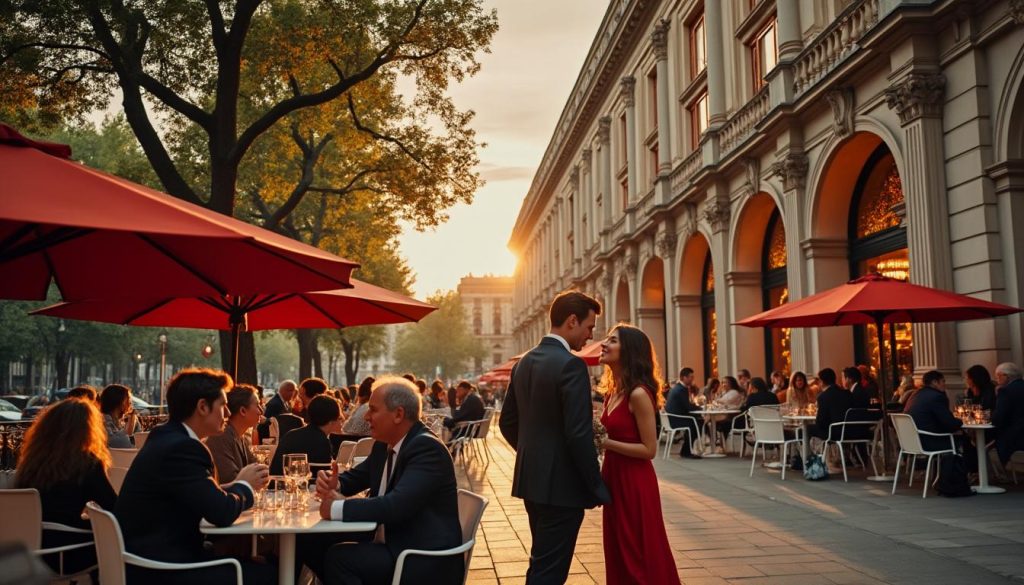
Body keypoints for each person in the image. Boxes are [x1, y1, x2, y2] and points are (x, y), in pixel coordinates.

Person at [115, 368, 272, 585]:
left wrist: (233, 486)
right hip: (162, 570)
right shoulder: (184, 447)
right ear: (202, 407)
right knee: (271, 574)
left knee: (258, 561)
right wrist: (244, 484)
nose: (227, 413)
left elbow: (196, 494)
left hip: (146, 559)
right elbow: (221, 512)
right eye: (223, 405)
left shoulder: (166, 436)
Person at [499, 290, 609, 584]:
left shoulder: (523, 362)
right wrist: (595, 484)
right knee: (550, 571)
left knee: (541, 562)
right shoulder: (571, 364)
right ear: (572, 321)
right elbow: (578, 433)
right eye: (589, 327)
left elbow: (507, 422)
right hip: (562, 487)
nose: (589, 336)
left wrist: (531, 452)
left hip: (530, 481)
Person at [314, 377, 463, 584]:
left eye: (373, 410)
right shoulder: (385, 443)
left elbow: (395, 505)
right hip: (392, 542)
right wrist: (334, 482)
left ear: (398, 414)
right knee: (310, 542)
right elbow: (358, 476)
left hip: (418, 556)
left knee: (340, 559)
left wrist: (336, 508)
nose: (366, 416)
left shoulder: (427, 449)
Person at [596, 325, 680, 584]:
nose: (603, 344)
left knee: (638, 554)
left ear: (629, 351)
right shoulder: (612, 392)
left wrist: (605, 442)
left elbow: (649, 450)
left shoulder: (638, 394)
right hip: (614, 477)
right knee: (618, 548)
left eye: (612, 340)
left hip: (634, 482)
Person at [16, 398, 116, 576]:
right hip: (65, 555)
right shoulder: (87, 464)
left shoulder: (31, 462)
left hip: (28, 553)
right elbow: (113, 507)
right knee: (110, 540)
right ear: (87, 430)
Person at [271, 394, 344, 475]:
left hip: (276, 483)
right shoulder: (321, 442)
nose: (342, 420)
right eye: (340, 418)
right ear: (331, 422)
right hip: (297, 484)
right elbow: (324, 477)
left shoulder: (291, 434)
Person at [206, 384, 261, 483]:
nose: (261, 411)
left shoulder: (240, 436)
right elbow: (230, 480)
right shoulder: (221, 436)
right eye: (257, 405)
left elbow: (257, 471)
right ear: (243, 411)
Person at [908, 370, 965, 451]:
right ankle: (971, 463)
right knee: (964, 437)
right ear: (934, 382)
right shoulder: (936, 397)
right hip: (931, 442)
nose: (945, 384)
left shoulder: (915, 395)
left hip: (913, 442)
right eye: (943, 381)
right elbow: (949, 423)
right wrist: (962, 421)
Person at [663, 367, 702, 459]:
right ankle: (686, 451)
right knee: (698, 423)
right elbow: (687, 407)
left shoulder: (677, 387)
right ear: (684, 378)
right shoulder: (681, 389)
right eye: (690, 377)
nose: (692, 379)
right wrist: (700, 408)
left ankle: (686, 449)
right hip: (677, 420)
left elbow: (685, 406)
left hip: (672, 419)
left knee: (698, 420)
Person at [993, 362, 1024, 464]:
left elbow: (999, 418)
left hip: (1015, 437)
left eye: (998, 376)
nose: (997, 380)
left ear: (1006, 376)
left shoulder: (1005, 391)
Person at [808, 368, 851, 441]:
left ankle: (811, 452)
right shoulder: (847, 393)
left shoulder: (823, 397)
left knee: (806, 428)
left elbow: (820, 422)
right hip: (849, 431)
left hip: (833, 432)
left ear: (821, 382)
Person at [99, 383, 136, 448]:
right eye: (128, 399)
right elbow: (116, 443)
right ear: (121, 402)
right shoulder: (104, 421)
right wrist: (127, 432)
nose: (130, 403)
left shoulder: (118, 422)